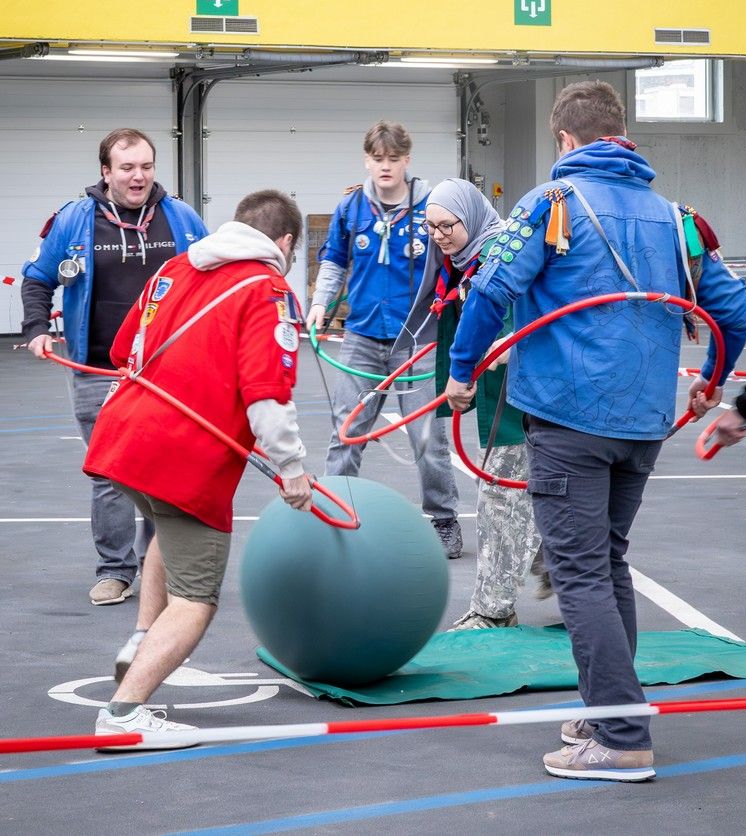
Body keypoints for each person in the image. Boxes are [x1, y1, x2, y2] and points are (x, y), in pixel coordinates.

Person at [444, 81, 746, 782]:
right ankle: (609, 711)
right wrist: (712, 380)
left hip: (567, 420)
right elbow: (735, 312)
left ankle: (619, 736)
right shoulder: (676, 218)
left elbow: (489, 288)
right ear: (621, 134)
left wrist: (462, 372)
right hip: (642, 426)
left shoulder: (551, 203)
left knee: (581, 572)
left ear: (564, 139)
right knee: (605, 565)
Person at [83, 189, 311, 745]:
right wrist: (292, 469)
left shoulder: (175, 268)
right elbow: (266, 394)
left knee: (169, 531)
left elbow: (122, 349)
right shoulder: (267, 290)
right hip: (183, 463)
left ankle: (142, 639)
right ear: (285, 242)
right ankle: (122, 716)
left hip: (124, 442)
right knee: (195, 600)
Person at [21, 128, 208, 605]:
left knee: (163, 472)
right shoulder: (74, 219)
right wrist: (37, 329)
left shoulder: (181, 218)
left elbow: (215, 278)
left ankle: (158, 569)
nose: (138, 176)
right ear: (106, 172)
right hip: (97, 368)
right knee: (109, 473)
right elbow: (37, 278)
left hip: (168, 372)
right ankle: (115, 571)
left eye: (146, 166)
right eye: (127, 167)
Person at [397, 177, 551, 630]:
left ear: (471, 217)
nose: (439, 235)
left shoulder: (504, 254)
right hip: (504, 390)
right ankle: (555, 562)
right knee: (525, 491)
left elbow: (538, 316)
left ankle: (493, 611)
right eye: (431, 227)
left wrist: (490, 355)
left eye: (447, 225)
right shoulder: (462, 261)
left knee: (500, 494)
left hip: (525, 394)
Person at [307, 121, 462, 558]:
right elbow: (334, 261)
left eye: (394, 158)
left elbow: (456, 258)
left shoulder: (431, 206)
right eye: (378, 159)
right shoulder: (351, 207)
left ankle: (444, 519)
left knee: (427, 438)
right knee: (346, 431)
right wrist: (320, 303)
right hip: (362, 336)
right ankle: (334, 513)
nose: (386, 166)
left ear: (407, 160)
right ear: (367, 160)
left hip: (418, 339)